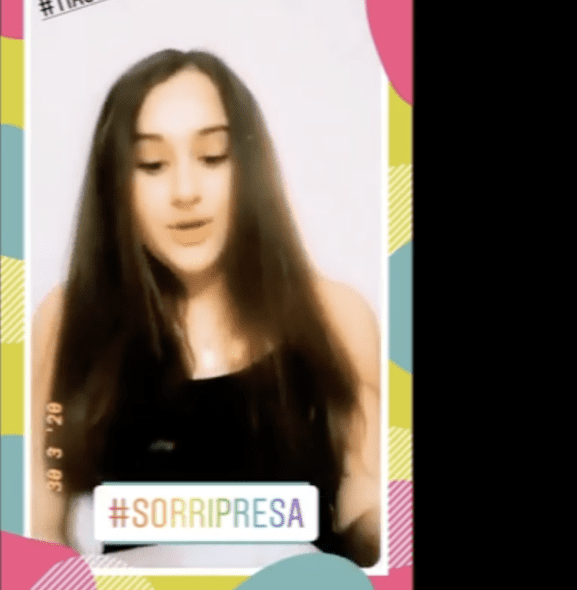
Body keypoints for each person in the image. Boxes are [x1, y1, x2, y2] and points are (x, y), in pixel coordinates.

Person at [30, 49, 381, 567]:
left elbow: (366, 500)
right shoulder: (67, 319)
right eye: (151, 164)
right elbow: (40, 525)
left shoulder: (337, 314)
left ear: (250, 167)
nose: (186, 191)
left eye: (213, 156)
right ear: (115, 185)